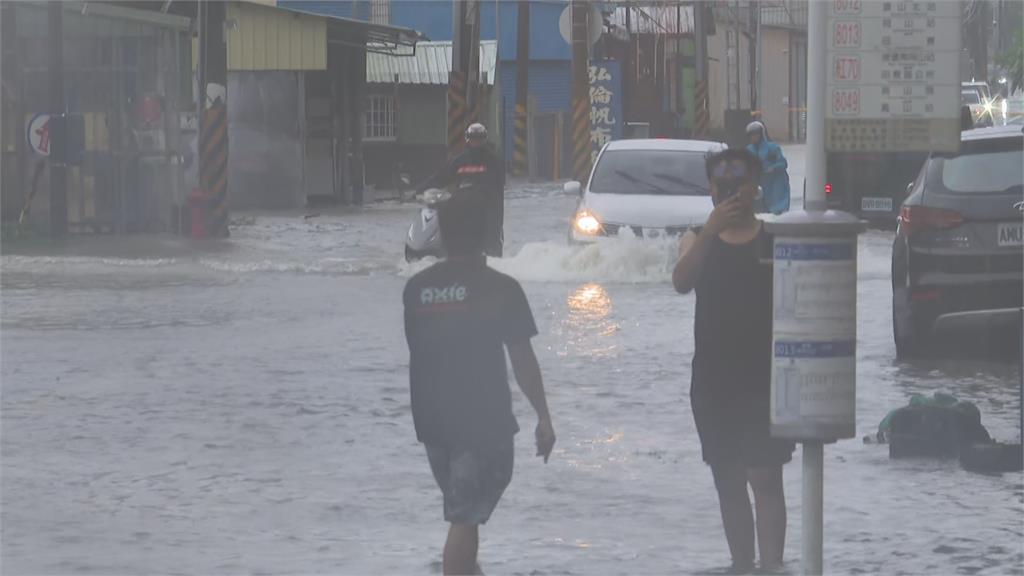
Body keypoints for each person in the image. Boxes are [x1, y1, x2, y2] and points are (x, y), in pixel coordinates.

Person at [403, 190, 555, 575]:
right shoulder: (501, 288)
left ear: (443, 236)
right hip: (481, 420)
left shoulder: (417, 290)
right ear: (488, 235)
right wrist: (544, 418)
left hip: (432, 422)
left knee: (463, 510)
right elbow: (522, 359)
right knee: (465, 517)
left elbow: (420, 352)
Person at [672, 149, 795, 575]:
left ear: (755, 188)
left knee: (765, 478)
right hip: (712, 383)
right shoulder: (696, 239)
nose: (729, 194)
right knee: (728, 481)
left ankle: (773, 567)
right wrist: (710, 232)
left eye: (737, 185)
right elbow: (680, 282)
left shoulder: (774, 241)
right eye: (721, 187)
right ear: (709, 191)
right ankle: (742, 566)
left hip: (765, 380)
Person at [419, 123, 506, 257]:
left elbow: (498, 184)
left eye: (479, 139)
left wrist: (478, 189)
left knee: (492, 242)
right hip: (464, 207)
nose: (476, 142)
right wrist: (421, 189)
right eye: (473, 138)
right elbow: (441, 177)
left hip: (489, 209)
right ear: (467, 139)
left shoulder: (494, 161)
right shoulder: (460, 160)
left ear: (485, 139)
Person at [745, 121, 790, 215]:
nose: (753, 137)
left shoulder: (772, 148)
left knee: (777, 212)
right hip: (759, 184)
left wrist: (772, 168)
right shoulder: (749, 150)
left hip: (776, 184)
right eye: (751, 135)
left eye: (756, 134)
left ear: (761, 134)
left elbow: (783, 163)